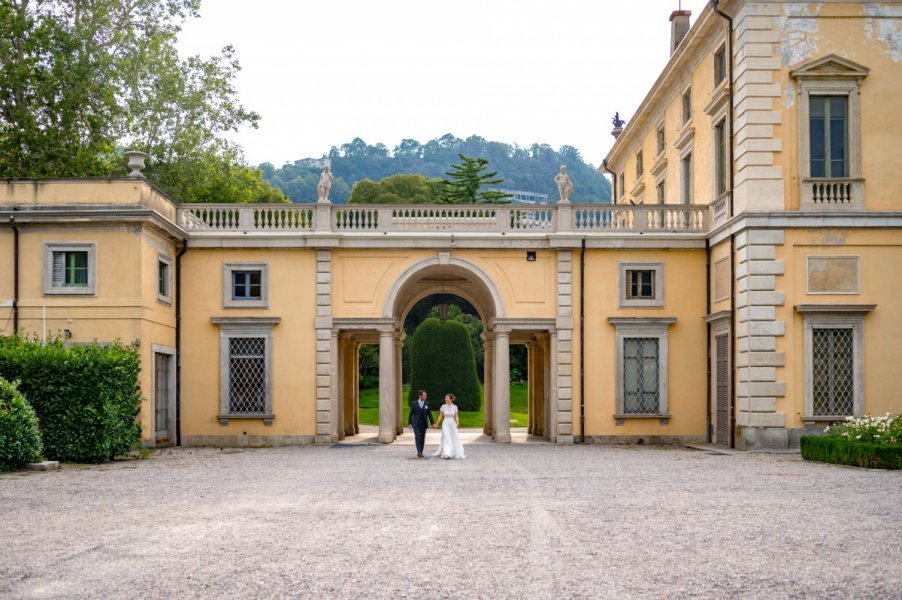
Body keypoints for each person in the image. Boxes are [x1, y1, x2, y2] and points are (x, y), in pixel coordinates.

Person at [432, 393, 466, 460]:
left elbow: (456, 416)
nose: (446, 399)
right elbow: (440, 416)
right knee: (446, 437)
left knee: (453, 436)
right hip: (445, 423)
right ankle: (447, 453)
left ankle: (453, 451)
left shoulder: (455, 407)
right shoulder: (443, 406)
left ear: (451, 399)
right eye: (445, 398)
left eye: (447, 398)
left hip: (452, 423)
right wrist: (436, 424)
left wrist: (457, 422)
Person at [408, 390, 433, 458]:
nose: (425, 397)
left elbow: (429, 414)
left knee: (422, 438)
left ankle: (421, 451)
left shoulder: (427, 404)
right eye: (424, 395)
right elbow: (411, 414)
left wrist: (432, 423)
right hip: (416, 423)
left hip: (424, 424)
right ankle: (419, 451)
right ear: (420, 396)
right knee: (418, 436)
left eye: (426, 395)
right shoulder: (414, 403)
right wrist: (410, 423)